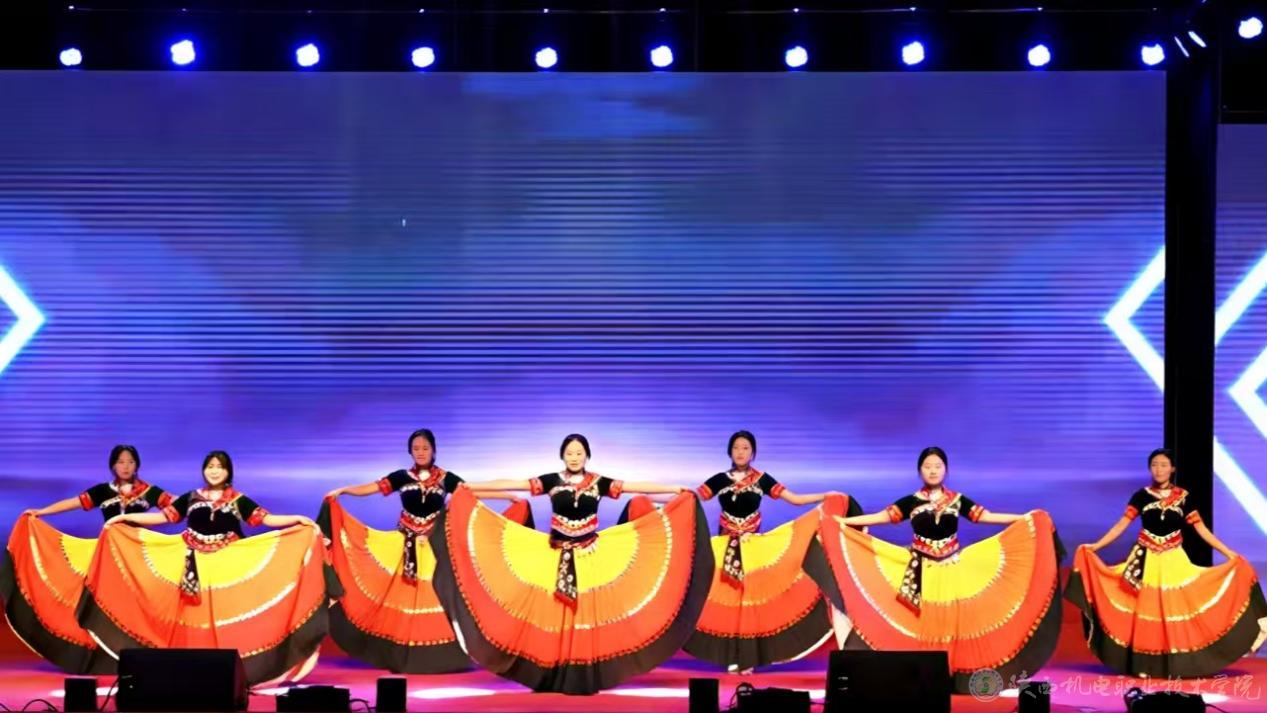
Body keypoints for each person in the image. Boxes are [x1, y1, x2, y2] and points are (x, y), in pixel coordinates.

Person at [431, 433, 714, 694]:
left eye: (579, 453)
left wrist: (675, 489)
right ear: (562, 456)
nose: (574, 457)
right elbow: (514, 483)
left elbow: (633, 487)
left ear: (587, 455)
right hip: (555, 555)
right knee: (554, 616)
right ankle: (550, 673)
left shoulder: (598, 482)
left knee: (585, 616)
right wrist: (470, 487)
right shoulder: (552, 481)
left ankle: (584, 675)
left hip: (591, 556)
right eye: (569, 453)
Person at [804, 446, 1063, 693]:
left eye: (938, 466)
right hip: (920, 570)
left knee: (952, 623)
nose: (933, 470)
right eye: (928, 466)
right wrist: (843, 522)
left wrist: (1026, 518)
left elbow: (987, 516)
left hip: (952, 569)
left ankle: (952, 677)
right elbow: (881, 517)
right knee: (921, 623)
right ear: (920, 471)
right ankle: (920, 678)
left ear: (945, 470)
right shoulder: (912, 501)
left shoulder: (957, 500)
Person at [76, 451, 327, 685]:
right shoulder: (191, 497)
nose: (214, 471)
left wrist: (298, 519)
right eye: (210, 466)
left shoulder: (238, 499)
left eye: (220, 467)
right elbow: (162, 517)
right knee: (191, 617)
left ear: (228, 472)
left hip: (226, 566)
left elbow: (268, 519)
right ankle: (187, 671)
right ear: (204, 470)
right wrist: (123, 518)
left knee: (224, 615)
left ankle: (231, 673)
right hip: (192, 564)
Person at [319, 428, 528, 673]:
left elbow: (470, 491)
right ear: (410, 451)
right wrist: (343, 490)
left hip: (434, 546)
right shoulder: (402, 477)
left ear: (434, 451)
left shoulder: (444, 478)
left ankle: (441, 656)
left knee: (436, 597)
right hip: (404, 544)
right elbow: (372, 488)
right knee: (402, 597)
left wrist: (507, 497)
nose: (420, 452)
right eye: (416, 448)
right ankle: (400, 653)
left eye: (425, 448)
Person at [1066, 447, 1267, 677]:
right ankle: (1145, 666)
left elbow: (1201, 529)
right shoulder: (1141, 496)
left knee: (1175, 610)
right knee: (1147, 612)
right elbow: (1120, 526)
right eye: (1154, 465)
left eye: (1163, 465)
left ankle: (1179, 665)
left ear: (1172, 469)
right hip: (1146, 561)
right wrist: (1096, 546)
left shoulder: (1183, 497)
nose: (1158, 469)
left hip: (1174, 561)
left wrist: (1228, 553)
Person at [684, 430, 861, 671]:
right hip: (725, 548)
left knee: (749, 604)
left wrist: (826, 496)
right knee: (725, 602)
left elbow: (795, 499)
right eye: (736, 447)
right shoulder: (720, 480)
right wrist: (668, 500)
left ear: (753, 452)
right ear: (729, 451)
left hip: (753, 549)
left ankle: (747, 658)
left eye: (746, 448)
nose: (740, 452)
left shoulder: (762, 479)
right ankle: (731, 657)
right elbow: (690, 498)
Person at [0, 445, 170, 674]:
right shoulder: (103, 491)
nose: (126, 466)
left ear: (137, 465)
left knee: (137, 606)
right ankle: (105, 657)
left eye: (130, 462)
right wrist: (42, 512)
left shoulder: (149, 491)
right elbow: (73, 503)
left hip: (136, 556)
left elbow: (176, 505)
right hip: (108, 556)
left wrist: (201, 501)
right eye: (121, 462)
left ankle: (141, 653)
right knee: (106, 605)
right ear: (113, 465)